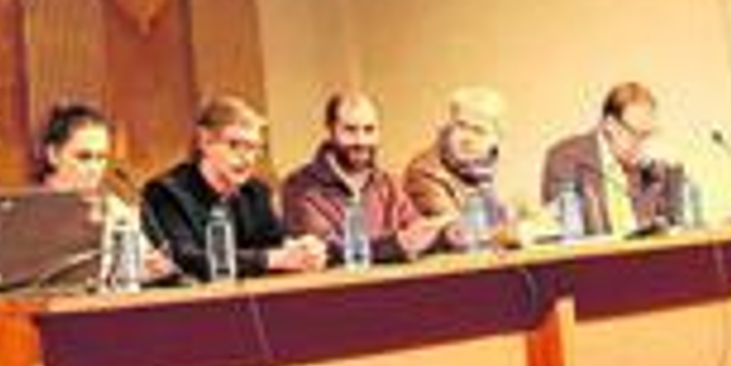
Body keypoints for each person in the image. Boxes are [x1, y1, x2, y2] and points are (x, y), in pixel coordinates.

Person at [142, 95, 327, 281]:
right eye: (235, 145)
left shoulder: (256, 192)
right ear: (204, 141)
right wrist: (270, 259)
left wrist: (302, 250)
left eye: (253, 148)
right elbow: (187, 259)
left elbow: (274, 243)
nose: (246, 158)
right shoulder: (165, 192)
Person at [282, 92, 458, 262]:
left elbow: (415, 237)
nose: (361, 141)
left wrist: (446, 236)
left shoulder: (389, 184)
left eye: (369, 130)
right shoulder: (299, 186)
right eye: (350, 130)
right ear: (330, 130)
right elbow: (324, 252)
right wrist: (395, 245)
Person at [35, 102, 175, 283]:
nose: (95, 168)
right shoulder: (30, 213)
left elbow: (139, 268)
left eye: (101, 158)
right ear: (53, 155)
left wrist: (152, 269)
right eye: (84, 157)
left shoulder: (115, 206)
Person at [539, 82, 691, 235]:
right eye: (637, 134)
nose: (644, 144)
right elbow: (563, 225)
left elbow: (675, 222)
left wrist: (674, 171)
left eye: (649, 134)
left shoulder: (649, 165)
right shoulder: (566, 158)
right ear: (610, 125)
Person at [402, 86, 515, 246]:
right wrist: (517, 230)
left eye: (478, 130)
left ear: (496, 140)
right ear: (449, 127)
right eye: (461, 126)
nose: (467, 138)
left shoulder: (483, 167)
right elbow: (461, 234)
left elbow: (504, 219)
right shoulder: (424, 172)